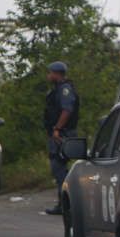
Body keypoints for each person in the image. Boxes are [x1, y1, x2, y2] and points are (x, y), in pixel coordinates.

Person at [43, 61, 80, 215]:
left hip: (62, 134)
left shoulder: (65, 90)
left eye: (50, 72)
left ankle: (65, 204)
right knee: (59, 168)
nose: (48, 75)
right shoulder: (58, 89)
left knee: (58, 167)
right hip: (60, 133)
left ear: (57, 74)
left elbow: (67, 110)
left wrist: (57, 129)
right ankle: (64, 203)